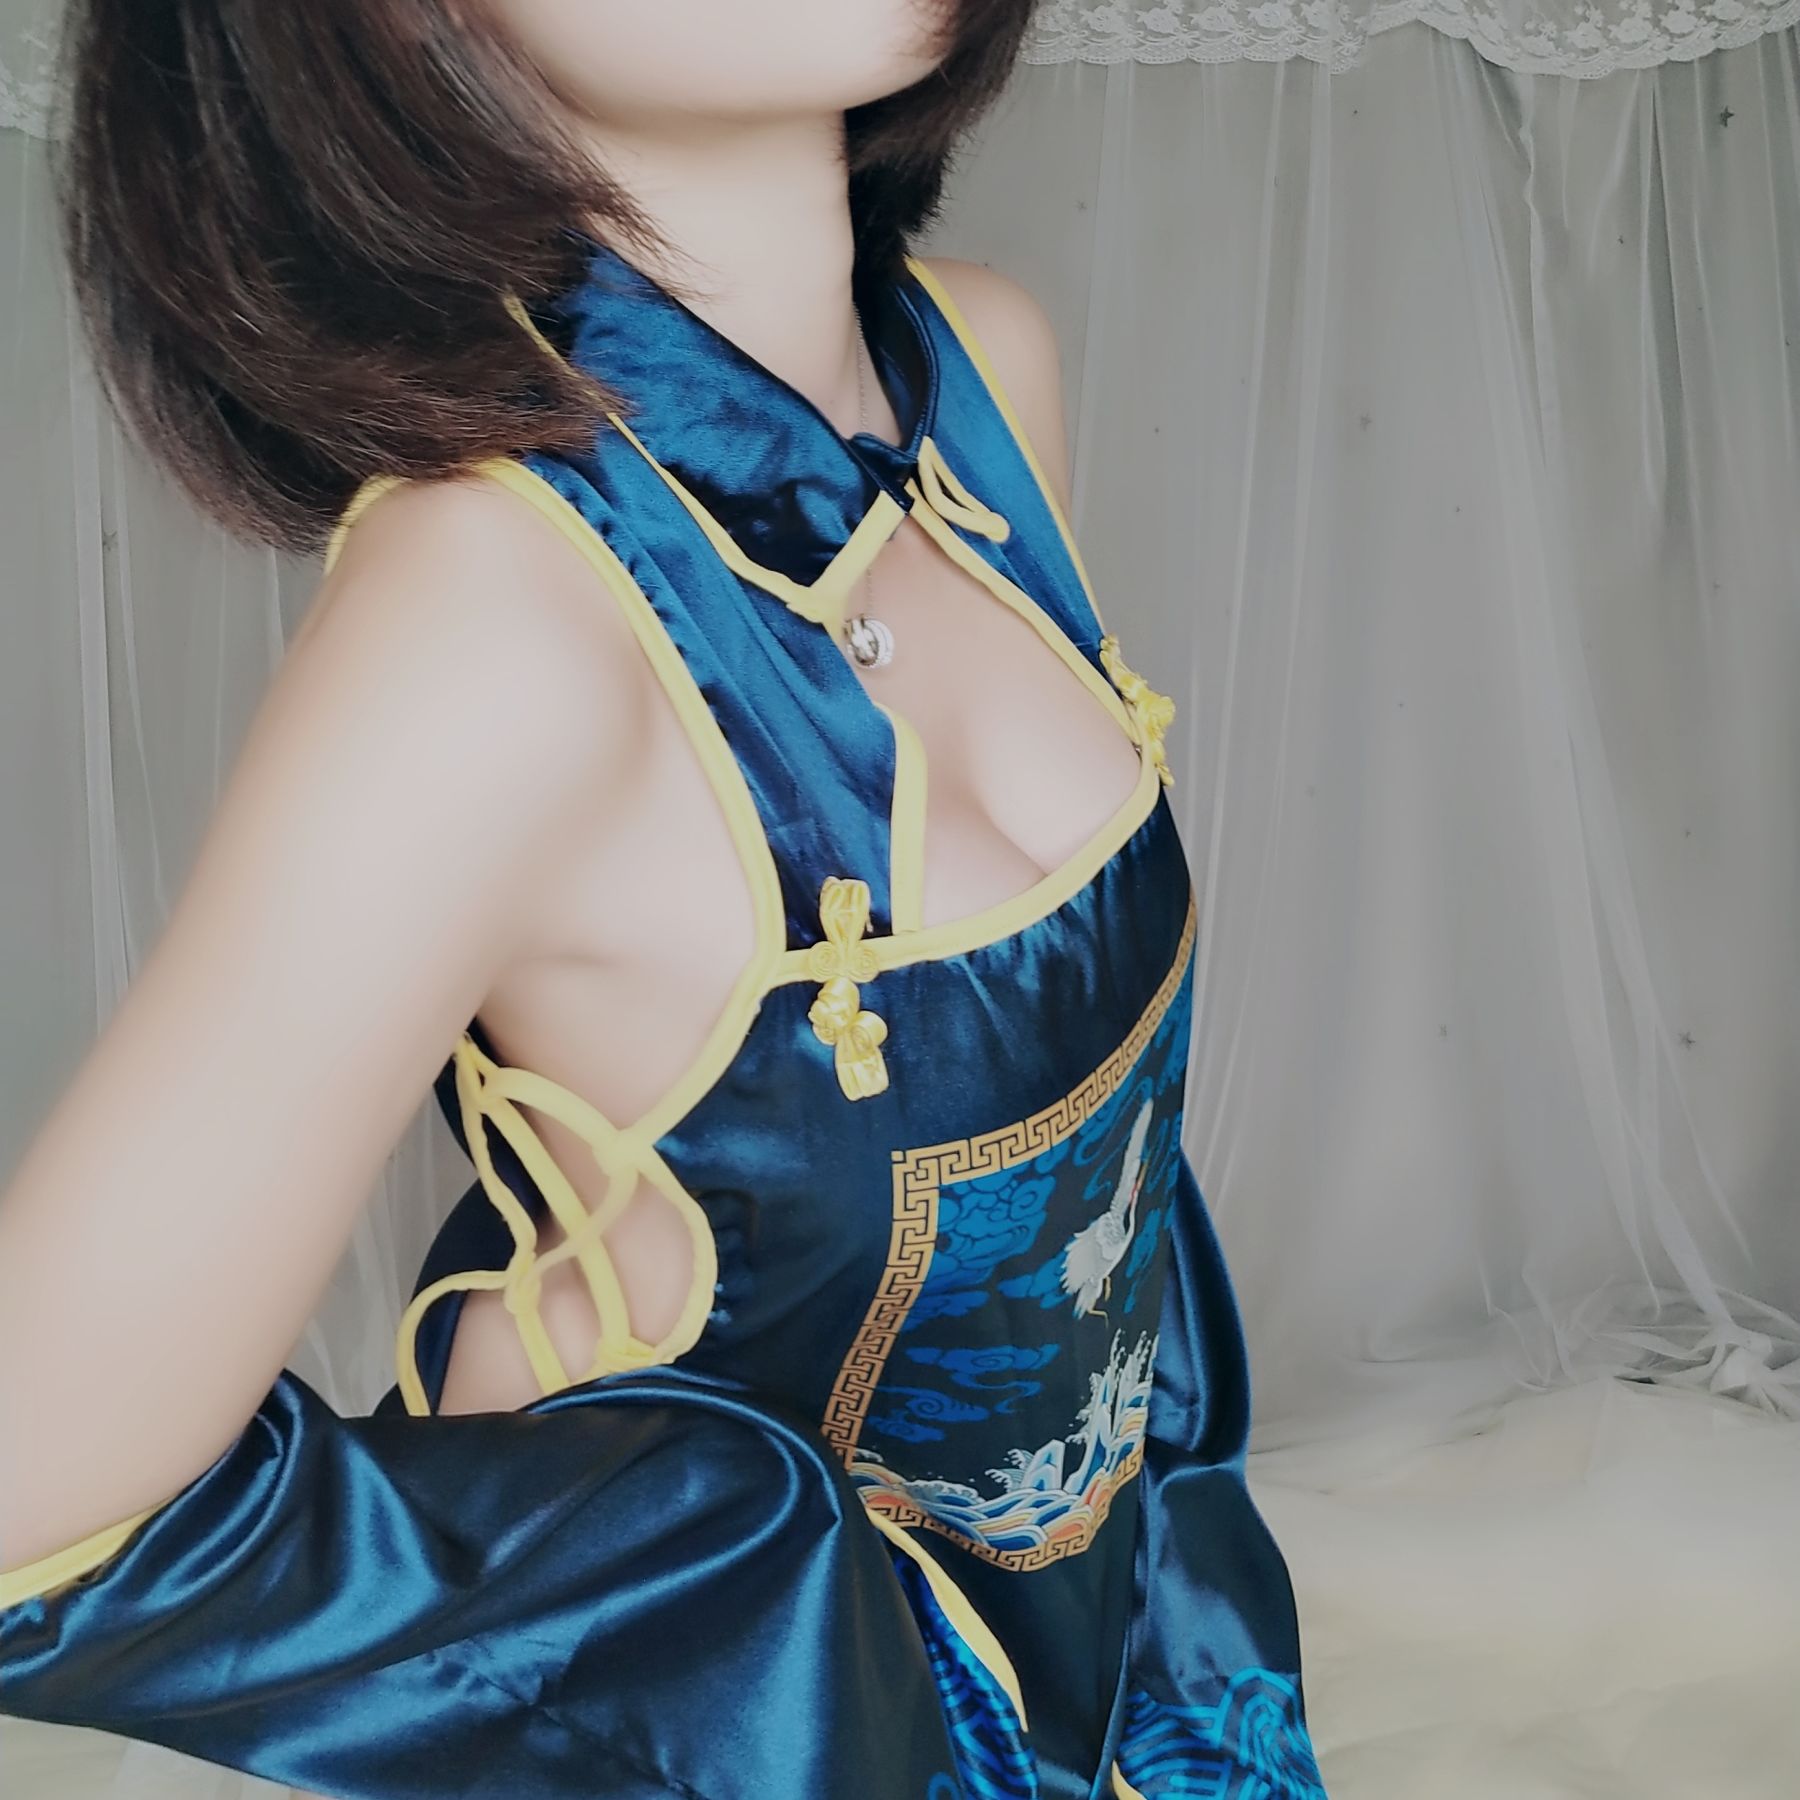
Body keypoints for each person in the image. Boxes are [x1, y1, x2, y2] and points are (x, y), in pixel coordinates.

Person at [0, 4, 1329, 1797]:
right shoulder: (491, 617)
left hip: (1135, 1684)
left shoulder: (983, 371)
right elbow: (31, 1511)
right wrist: (740, 1613)